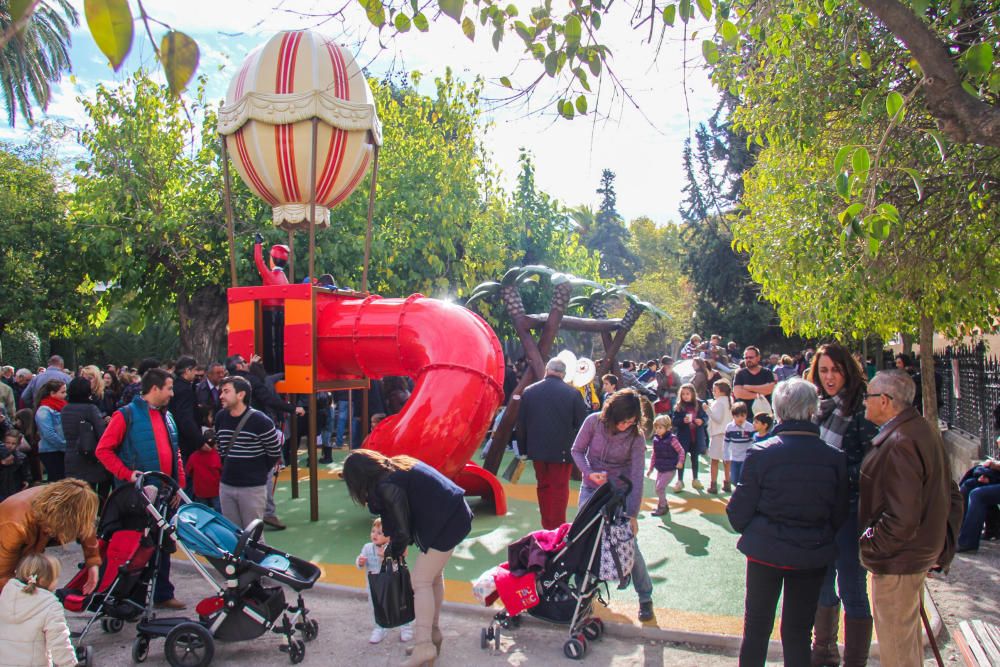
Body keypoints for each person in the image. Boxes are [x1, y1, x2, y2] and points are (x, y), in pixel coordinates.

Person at [727, 378, 848, 667]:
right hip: (811, 549)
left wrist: (755, 528)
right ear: (812, 411)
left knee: (756, 628)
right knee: (798, 631)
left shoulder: (762, 453)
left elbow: (739, 510)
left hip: (766, 549)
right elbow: (839, 512)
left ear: (779, 412)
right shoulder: (833, 458)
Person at [859, 370, 961, 667]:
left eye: (869, 396)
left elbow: (902, 517)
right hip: (910, 556)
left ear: (885, 401)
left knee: (898, 650)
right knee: (905, 644)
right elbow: (950, 495)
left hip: (899, 560)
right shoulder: (917, 431)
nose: (865, 402)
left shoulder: (902, 440)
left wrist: (870, 545)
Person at [342, 450, 472, 666]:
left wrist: (391, 551)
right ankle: (431, 635)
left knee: (420, 581)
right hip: (453, 515)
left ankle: (424, 646)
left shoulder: (387, 486)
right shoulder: (397, 466)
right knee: (431, 577)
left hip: (447, 521)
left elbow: (401, 530)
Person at [805, 343, 878, 667]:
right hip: (817, 511)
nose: (830, 376)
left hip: (849, 510)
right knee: (821, 584)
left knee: (852, 586)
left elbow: (871, 464)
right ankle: (823, 654)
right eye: (824, 370)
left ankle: (855, 661)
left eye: (836, 369)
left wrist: (831, 470)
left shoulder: (862, 407)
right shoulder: (813, 405)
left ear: (847, 370)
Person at [95, 367, 186, 611]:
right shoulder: (126, 415)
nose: (172, 393)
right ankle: (129, 598)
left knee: (163, 544)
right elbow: (103, 450)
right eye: (169, 388)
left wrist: (179, 484)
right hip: (137, 497)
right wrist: (127, 474)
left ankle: (163, 593)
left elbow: (175, 450)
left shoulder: (167, 415)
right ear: (155, 389)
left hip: (164, 493)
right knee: (136, 547)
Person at [571, 389, 656, 621]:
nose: (626, 425)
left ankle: (645, 597)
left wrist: (632, 514)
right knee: (584, 538)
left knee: (627, 542)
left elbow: (637, 476)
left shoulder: (636, 438)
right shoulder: (593, 422)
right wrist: (589, 473)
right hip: (592, 488)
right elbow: (577, 450)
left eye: (631, 421)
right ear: (612, 414)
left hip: (620, 492)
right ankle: (582, 592)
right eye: (623, 420)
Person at [517, 358, 589, 529]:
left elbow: (521, 423)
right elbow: (582, 425)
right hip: (563, 450)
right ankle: (556, 528)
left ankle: (546, 524)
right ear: (563, 374)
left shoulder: (529, 391)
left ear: (547, 370)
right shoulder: (572, 393)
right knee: (559, 489)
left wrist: (523, 449)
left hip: (537, 450)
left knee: (543, 486)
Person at [0, 479, 100, 593]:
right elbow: (3, 575)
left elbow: (85, 524)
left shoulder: (68, 499)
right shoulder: (14, 525)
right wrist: (25, 600)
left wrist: (92, 564)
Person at [215, 376, 282, 532]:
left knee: (253, 536)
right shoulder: (220, 417)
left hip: (252, 487)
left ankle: (257, 557)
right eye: (221, 392)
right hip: (227, 485)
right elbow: (221, 448)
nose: (221, 396)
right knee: (232, 534)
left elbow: (273, 452)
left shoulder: (260, 421)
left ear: (241, 395)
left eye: (226, 391)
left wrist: (256, 471)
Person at [0, 553, 78, 667]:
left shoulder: (6, 595)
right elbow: (59, 642)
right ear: (44, 580)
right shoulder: (50, 605)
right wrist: (70, 664)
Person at [356, 517, 415, 644]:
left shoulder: (393, 546)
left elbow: (405, 552)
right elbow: (359, 562)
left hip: (395, 584)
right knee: (377, 606)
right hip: (375, 587)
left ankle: (405, 626)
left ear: (390, 536)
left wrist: (390, 552)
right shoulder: (367, 548)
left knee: (400, 603)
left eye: (380, 533)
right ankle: (380, 627)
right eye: (373, 531)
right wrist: (360, 562)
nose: (375, 535)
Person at [62, 377, 112, 503]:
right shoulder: (90, 409)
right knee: (96, 494)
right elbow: (102, 433)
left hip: (72, 455)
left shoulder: (65, 409)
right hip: (91, 457)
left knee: (78, 498)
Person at [670, 383, 708, 492]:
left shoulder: (700, 404)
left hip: (696, 437)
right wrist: (682, 421)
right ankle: (680, 480)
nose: (685, 396)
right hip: (683, 437)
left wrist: (702, 421)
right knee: (681, 458)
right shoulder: (679, 406)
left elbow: (705, 417)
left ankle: (695, 479)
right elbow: (674, 421)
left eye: (687, 393)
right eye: (683, 394)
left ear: (693, 394)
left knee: (695, 458)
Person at [647, 415, 684, 517]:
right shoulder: (656, 440)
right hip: (660, 468)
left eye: (660, 428)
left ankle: (663, 506)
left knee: (660, 487)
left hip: (670, 468)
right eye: (656, 428)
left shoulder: (672, 440)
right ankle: (663, 505)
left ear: (667, 428)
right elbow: (654, 455)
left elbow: (681, 451)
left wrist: (680, 462)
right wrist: (650, 468)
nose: (658, 430)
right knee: (657, 488)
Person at [169, 356, 204, 462]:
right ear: (187, 370)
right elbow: (185, 418)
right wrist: (199, 440)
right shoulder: (184, 390)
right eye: (194, 370)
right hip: (185, 442)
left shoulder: (178, 385)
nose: (196, 373)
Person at [34, 379, 67, 482]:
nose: (65, 395)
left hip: (60, 449)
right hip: (51, 451)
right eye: (62, 392)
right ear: (52, 393)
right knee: (57, 480)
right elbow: (48, 433)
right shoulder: (44, 410)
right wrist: (64, 445)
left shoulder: (61, 406)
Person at [706, 379, 733, 494]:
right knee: (727, 461)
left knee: (715, 461)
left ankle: (713, 484)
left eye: (715, 390)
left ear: (721, 391)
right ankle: (727, 482)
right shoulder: (730, 400)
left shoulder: (719, 403)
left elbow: (717, 419)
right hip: (728, 435)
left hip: (718, 434)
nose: (713, 392)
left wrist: (708, 410)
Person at [185, 428, 222, 512]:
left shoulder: (194, 456)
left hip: (204, 490)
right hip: (212, 490)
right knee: (218, 509)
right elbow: (221, 470)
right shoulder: (216, 455)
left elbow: (188, 471)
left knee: (204, 510)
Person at [723, 402, 755, 485]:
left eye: (742, 416)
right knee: (734, 480)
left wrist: (750, 454)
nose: (740, 418)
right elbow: (726, 442)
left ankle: (741, 496)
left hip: (745, 458)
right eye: (737, 416)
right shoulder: (729, 427)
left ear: (746, 415)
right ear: (733, 416)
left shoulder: (750, 427)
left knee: (743, 479)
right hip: (734, 458)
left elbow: (752, 442)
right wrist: (726, 456)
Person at [0, 430, 31, 501]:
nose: (10, 446)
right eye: (7, 443)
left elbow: (26, 474)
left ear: (18, 444)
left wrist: (27, 481)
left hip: (15, 492)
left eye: (13, 443)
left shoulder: (22, 457)